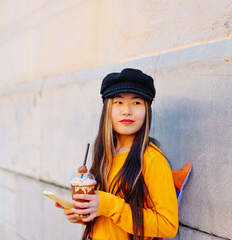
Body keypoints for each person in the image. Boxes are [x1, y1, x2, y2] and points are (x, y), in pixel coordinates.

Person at [56, 68, 178, 240]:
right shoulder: (105, 155)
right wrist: (85, 215)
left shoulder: (152, 159)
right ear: (107, 109)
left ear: (147, 110)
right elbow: (108, 219)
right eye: (118, 102)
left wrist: (108, 204)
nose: (127, 110)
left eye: (136, 103)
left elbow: (168, 226)